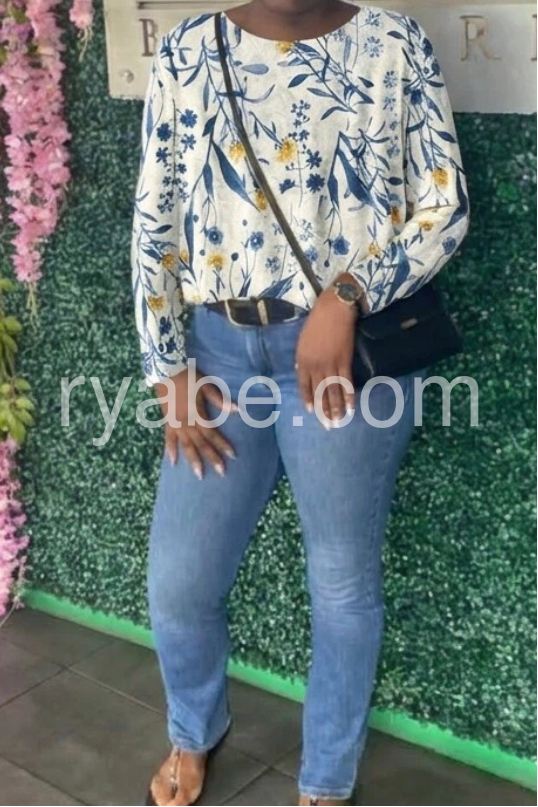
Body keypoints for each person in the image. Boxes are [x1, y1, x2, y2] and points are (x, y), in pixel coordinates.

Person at [131, 1, 470, 804]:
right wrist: (166, 366)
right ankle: (194, 728)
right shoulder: (188, 51)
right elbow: (155, 217)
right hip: (219, 355)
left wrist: (348, 295)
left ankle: (326, 776)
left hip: (345, 361)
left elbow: (446, 204)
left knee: (342, 584)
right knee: (179, 580)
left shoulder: (391, 44)